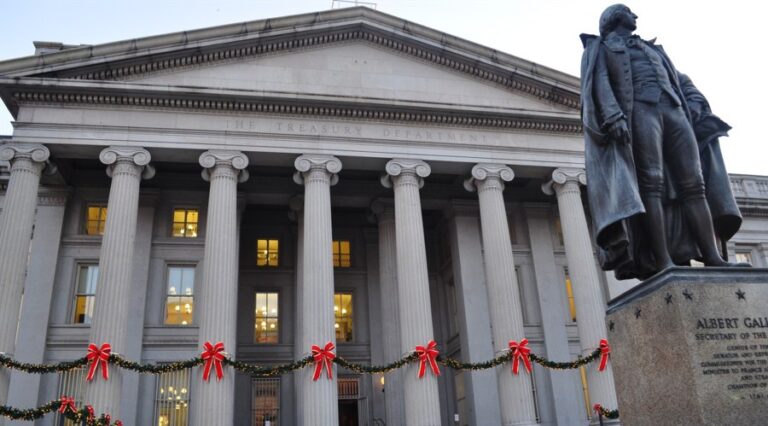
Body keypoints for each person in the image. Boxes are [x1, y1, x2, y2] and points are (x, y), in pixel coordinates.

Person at [580, 4, 745, 280]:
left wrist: (695, 101)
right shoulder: (600, 48)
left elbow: (680, 80)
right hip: (640, 111)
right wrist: (613, 115)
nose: (635, 16)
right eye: (630, 12)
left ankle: (712, 256)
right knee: (651, 184)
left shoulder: (653, 49)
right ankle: (663, 259)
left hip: (674, 111)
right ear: (616, 17)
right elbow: (600, 84)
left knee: (695, 184)